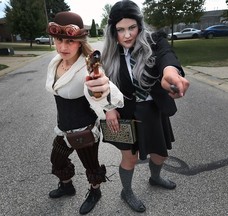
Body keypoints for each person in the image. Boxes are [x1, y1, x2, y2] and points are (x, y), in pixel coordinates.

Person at [101, 0, 190, 213]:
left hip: (153, 110)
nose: (127, 35)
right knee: (129, 159)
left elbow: (167, 56)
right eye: (120, 30)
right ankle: (127, 191)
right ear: (113, 32)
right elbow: (102, 86)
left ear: (139, 25)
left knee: (160, 154)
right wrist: (108, 108)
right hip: (125, 114)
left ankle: (155, 177)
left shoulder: (154, 41)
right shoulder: (108, 56)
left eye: (131, 27)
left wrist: (170, 72)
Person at [45, 11, 123, 215]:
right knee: (57, 160)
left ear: (79, 42)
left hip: (83, 130)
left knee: (91, 166)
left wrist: (103, 91)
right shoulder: (56, 62)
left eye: (69, 41)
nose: (63, 47)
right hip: (63, 129)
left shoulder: (88, 68)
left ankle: (95, 193)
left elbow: (99, 88)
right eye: (59, 40)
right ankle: (67, 186)